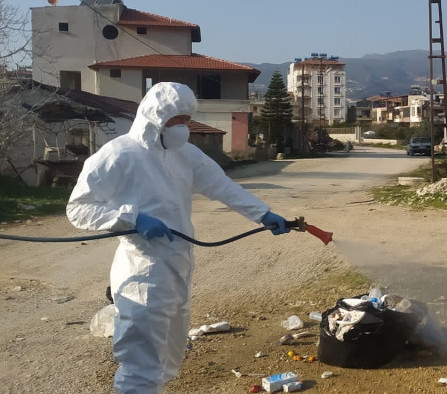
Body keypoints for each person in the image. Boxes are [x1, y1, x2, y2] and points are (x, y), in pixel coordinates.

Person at [66, 82, 289, 393]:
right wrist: (132, 218)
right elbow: (79, 208)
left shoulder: (186, 154)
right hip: (142, 268)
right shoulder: (118, 155)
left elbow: (223, 187)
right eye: (177, 120)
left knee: (169, 354)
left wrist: (262, 213)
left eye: (187, 119)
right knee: (140, 360)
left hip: (178, 264)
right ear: (155, 118)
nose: (183, 127)